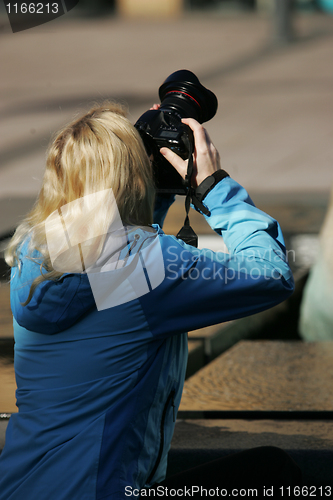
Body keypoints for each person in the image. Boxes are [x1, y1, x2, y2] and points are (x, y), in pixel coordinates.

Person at [0, 102, 300, 499]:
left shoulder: (35, 253)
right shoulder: (144, 265)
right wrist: (214, 188)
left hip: (21, 487)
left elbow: (110, 259)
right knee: (272, 473)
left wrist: (150, 197)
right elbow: (271, 275)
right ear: (134, 178)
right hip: (100, 492)